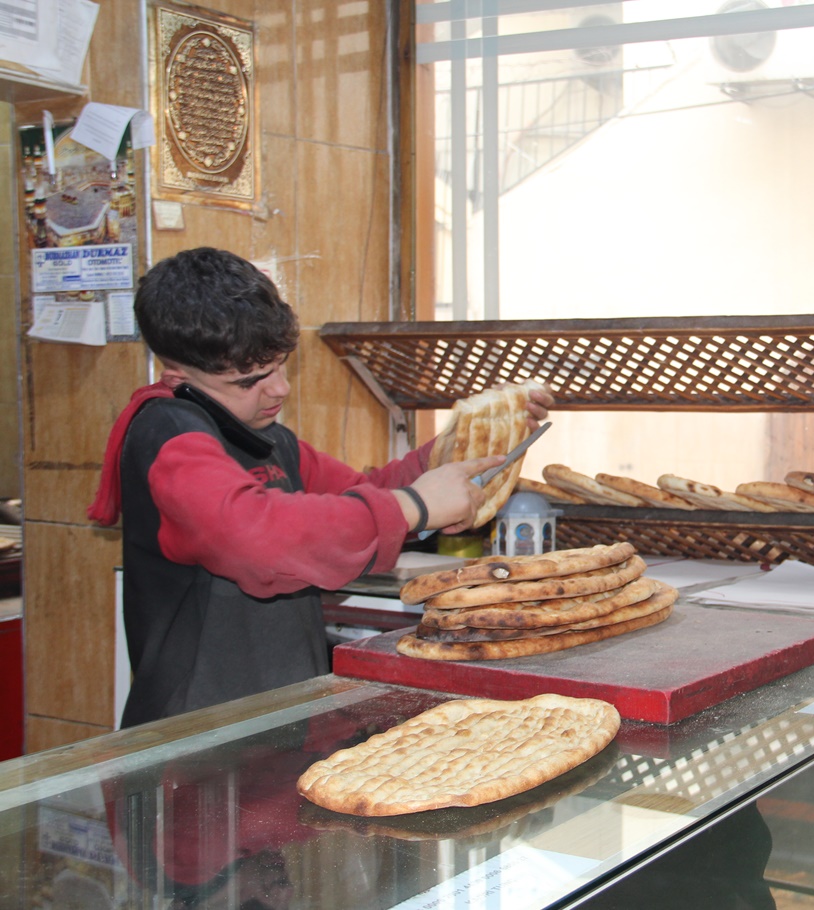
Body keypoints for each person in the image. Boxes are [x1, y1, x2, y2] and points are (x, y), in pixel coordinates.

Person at [89, 247, 551, 727]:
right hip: (192, 735)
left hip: (279, 717)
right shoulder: (166, 434)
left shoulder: (267, 440)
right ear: (178, 374)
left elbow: (363, 491)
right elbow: (254, 538)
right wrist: (414, 506)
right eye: (252, 380)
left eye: (281, 365)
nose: (280, 389)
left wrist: (462, 444)